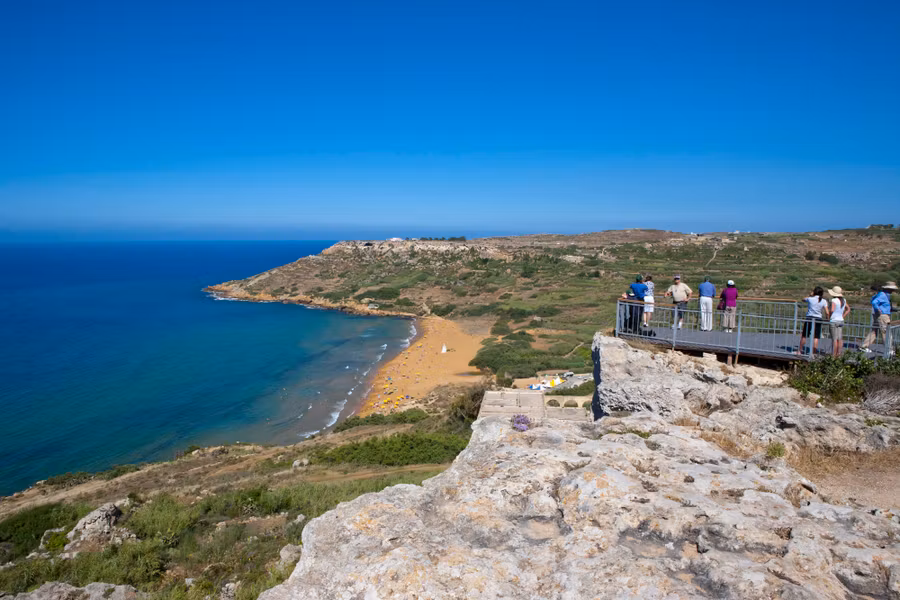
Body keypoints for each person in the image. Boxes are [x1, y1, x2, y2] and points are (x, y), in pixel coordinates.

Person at [861, 281, 897, 354]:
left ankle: (864, 346)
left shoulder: (882, 294)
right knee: (886, 331)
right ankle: (889, 349)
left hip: (880, 315)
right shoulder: (883, 295)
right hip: (883, 316)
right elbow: (874, 302)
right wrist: (878, 309)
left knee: (875, 331)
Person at [799, 286, 828, 355]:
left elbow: (803, 299)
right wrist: (827, 318)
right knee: (816, 336)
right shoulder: (824, 301)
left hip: (809, 318)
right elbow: (827, 312)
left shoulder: (810, 299)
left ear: (814, 292)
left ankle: (799, 350)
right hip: (818, 318)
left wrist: (810, 295)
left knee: (804, 335)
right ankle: (813, 353)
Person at [825, 286, 850, 357]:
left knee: (834, 339)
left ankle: (833, 355)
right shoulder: (843, 300)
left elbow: (832, 310)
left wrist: (828, 317)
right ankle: (839, 354)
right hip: (840, 320)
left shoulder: (834, 300)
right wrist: (842, 316)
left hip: (834, 320)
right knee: (840, 338)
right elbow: (848, 309)